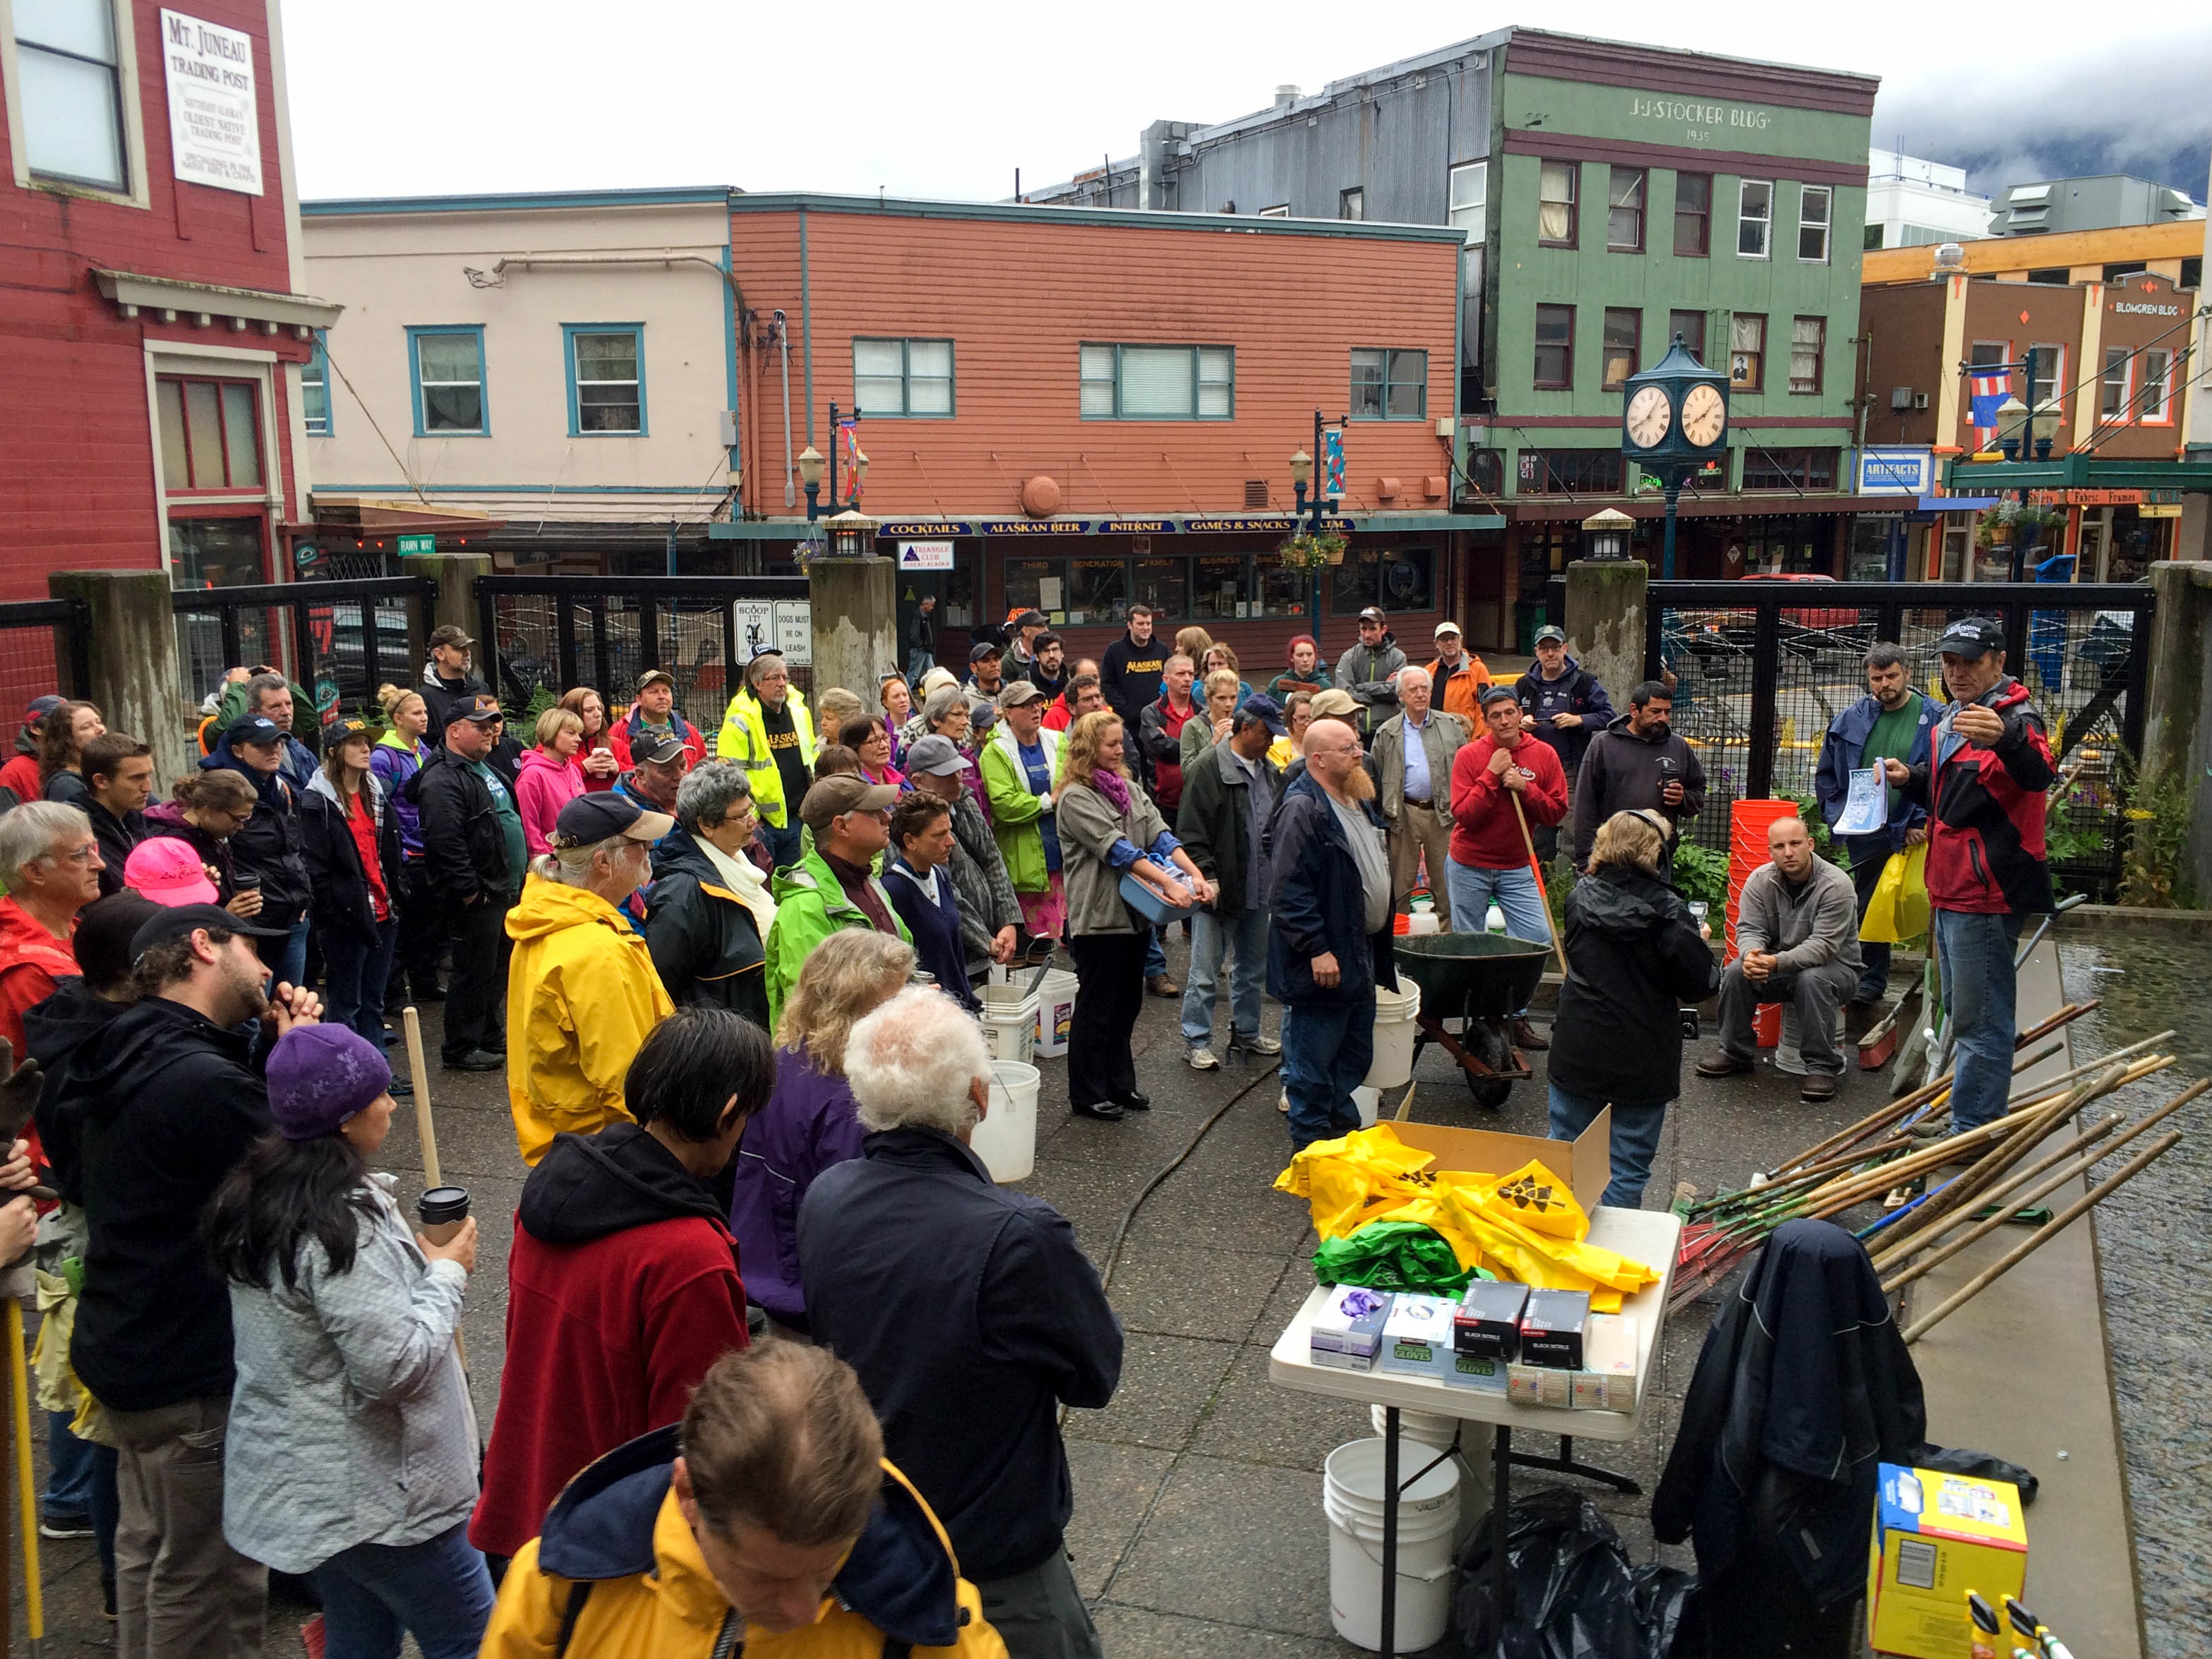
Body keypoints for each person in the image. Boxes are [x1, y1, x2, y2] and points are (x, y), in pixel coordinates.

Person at [801, 987, 1119, 1659]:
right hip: (995, 1566)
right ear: (979, 1096)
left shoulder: (826, 1198)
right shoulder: (1020, 1236)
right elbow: (1095, 1375)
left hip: (875, 1542)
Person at [206, 1022, 491, 1659]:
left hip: (325, 1498)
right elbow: (393, 1366)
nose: (391, 1104)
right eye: (378, 1094)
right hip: (386, 1500)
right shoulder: (340, 1228)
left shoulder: (262, 1196)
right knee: (477, 1642)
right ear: (344, 1119)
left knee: (360, 1638)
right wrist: (447, 1273)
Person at [74, 901, 313, 1659]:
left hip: (128, 1340)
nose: (268, 967)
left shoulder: (123, 1045)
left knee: (151, 1550)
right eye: (253, 949)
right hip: (190, 1366)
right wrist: (301, 1067)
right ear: (205, 945)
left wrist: (268, 1051)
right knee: (209, 1576)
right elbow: (300, 1181)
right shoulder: (199, 1078)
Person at [471, 1008, 774, 1567]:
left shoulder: (551, 1189)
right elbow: (694, 1439)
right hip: (609, 1539)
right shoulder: (689, 1258)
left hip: (524, 1501)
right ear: (728, 1112)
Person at [479, 1340, 1004, 1659]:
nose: (803, 1611)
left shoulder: (933, 1631)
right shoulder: (561, 1585)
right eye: (768, 1576)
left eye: (826, 1572)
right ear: (689, 1493)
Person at [26, 890, 158, 1605]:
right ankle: (116, 1578)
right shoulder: (107, 1051)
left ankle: (116, 1574)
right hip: (109, 1251)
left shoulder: (78, 1025)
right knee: (110, 1430)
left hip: (97, 1241)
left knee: (108, 1423)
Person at [1880, 617, 2054, 1134]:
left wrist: (2007, 739)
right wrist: (1912, 779)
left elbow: (2040, 772)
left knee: (1982, 1018)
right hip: (1950, 886)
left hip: (1987, 891)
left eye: (1970, 662)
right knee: (1960, 1008)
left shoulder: (2016, 718)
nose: (1957, 672)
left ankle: (1974, 1128)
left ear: (1999, 662)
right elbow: (1953, 797)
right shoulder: (1952, 717)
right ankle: (1968, 1112)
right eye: (1950, 662)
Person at [731, 931, 911, 1335]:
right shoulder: (853, 1102)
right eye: (895, 1002)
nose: (907, 1013)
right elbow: (861, 1218)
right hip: (826, 1295)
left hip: (771, 1268)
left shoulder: (786, 1059)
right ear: (858, 1008)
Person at [1548, 810, 1718, 1207]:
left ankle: (1554, 1235)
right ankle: (1613, 1241)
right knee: (1625, 1166)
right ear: (1656, 853)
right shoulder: (1670, 914)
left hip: (1578, 1046)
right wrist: (1697, 942)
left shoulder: (1579, 898)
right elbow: (1699, 986)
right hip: (1642, 1055)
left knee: (1564, 1155)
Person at [505, 793, 677, 1165]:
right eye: (640, 844)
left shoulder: (545, 916)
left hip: (562, 1144)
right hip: (608, 1152)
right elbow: (628, 1082)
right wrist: (657, 1160)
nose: (649, 851)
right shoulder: (596, 950)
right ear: (603, 862)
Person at [1057, 710, 1209, 1121]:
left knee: (1127, 1005)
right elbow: (1119, 850)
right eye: (1110, 744)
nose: (1119, 750)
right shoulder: (1075, 797)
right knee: (1097, 1008)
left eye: (1120, 743)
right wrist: (1170, 884)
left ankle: (1119, 1083)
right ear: (1088, 748)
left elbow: (1160, 835)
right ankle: (1087, 1092)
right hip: (1099, 918)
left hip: (1137, 916)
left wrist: (1194, 874)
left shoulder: (1128, 788)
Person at [1267, 718, 1398, 1150]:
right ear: (1318, 759)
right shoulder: (1304, 808)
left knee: (1353, 1055)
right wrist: (1317, 949)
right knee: (1314, 1065)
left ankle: (1340, 1142)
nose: (1359, 753)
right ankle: (1309, 1151)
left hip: (1359, 950)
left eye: (1357, 744)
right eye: (1348, 749)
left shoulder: (1357, 797)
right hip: (1325, 959)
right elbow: (1288, 891)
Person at [1697, 816, 1862, 1102]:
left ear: (1810, 844)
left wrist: (1774, 962)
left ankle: (1822, 1066)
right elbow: (1749, 929)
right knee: (1736, 971)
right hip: (1779, 967)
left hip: (1837, 970)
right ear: (1770, 851)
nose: (1788, 852)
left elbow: (1823, 947)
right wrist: (1752, 955)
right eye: (1780, 846)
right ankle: (1734, 1053)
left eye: (1795, 844)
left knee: (1813, 979)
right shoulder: (1760, 880)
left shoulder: (1836, 885)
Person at [1813, 643, 1938, 1007]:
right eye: (1877, 678)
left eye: (1892, 676)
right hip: (1865, 829)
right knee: (1869, 903)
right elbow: (1827, 773)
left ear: (1907, 674)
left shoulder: (1935, 717)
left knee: (1921, 900)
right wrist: (1838, 815)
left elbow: (1941, 775)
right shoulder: (1849, 720)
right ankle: (1869, 980)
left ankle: (1938, 980)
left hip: (1914, 829)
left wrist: (1922, 819)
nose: (1885, 684)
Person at [405, 694, 523, 1072]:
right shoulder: (442, 778)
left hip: (503, 887)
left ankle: (488, 1031)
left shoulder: (484, 768)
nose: (489, 732)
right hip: (479, 893)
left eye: (492, 725)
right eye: (480, 726)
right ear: (455, 731)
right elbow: (445, 840)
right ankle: (461, 1045)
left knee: (496, 967)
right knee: (472, 970)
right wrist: (470, 891)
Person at [1448, 687, 1570, 1049]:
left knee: (1536, 938)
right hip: (1469, 863)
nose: (1504, 721)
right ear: (1486, 721)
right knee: (1471, 944)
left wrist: (1525, 788)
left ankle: (1516, 1016)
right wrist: (1491, 776)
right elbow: (1464, 815)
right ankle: (1483, 1019)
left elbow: (1556, 812)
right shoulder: (1470, 755)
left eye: (1509, 713)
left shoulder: (1543, 754)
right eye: (1495, 715)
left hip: (1518, 864)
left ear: (1520, 714)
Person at [1176, 697, 1286, 1070]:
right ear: (1245, 728)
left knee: (1252, 969)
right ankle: (1196, 1040)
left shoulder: (1269, 771)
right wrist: (1207, 877)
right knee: (1206, 972)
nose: (1271, 740)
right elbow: (1191, 832)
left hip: (1260, 887)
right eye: (1266, 733)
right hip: (1220, 888)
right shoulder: (1209, 768)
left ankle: (1247, 1032)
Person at [303, 717, 407, 1086]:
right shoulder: (316, 803)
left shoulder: (374, 793)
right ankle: (348, 1076)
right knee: (346, 1000)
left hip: (383, 908)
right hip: (347, 916)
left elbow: (388, 850)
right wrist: (334, 911)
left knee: (374, 998)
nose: (366, 749)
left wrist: (398, 892)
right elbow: (317, 867)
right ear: (335, 752)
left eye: (368, 743)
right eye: (356, 743)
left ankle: (378, 1070)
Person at [764, 775, 908, 1025]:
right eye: (874, 813)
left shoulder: (868, 882)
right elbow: (817, 1013)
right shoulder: (804, 908)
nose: (888, 817)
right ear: (842, 827)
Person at [645, 762, 775, 1026]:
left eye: (751, 809)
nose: (753, 821)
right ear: (706, 825)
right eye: (741, 816)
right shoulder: (681, 892)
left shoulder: (740, 859)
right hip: (723, 1033)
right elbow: (662, 986)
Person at [201, 714, 314, 988]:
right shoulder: (217, 795)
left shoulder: (282, 787)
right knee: (256, 1007)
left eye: (277, 743)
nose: (273, 750)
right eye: (262, 745)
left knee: (290, 1003)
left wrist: (302, 896)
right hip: (251, 927)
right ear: (238, 750)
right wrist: (229, 914)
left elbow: (297, 847)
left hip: (293, 919)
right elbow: (215, 859)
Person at [907, 735, 1023, 981]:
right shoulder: (914, 826)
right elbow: (943, 893)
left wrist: (1008, 922)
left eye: (958, 770)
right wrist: (984, 940)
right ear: (918, 781)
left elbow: (993, 861)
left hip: (989, 946)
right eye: (945, 774)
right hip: (952, 956)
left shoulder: (967, 805)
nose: (956, 779)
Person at [0, 802, 100, 1085]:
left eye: (95, 848)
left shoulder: (67, 926)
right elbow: (85, 1069)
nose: (99, 864)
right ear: (34, 871)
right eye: (81, 854)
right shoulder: (30, 969)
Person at [1571, 680, 1705, 872]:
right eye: (1655, 712)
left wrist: (1683, 799)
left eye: (1667, 712)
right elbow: (1585, 805)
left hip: (1658, 857)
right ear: (1634, 710)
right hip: (1613, 856)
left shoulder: (1678, 747)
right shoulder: (1603, 745)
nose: (1663, 718)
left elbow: (1698, 793)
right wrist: (1586, 858)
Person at [1372, 666, 1469, 931]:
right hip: (1403, 812)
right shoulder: (1387, 732)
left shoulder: (1450, 726)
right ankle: (1399, 936)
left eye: (1424, 689)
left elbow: (1466, 767)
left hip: (1444, 813)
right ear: (1401, 696)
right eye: (1413, 690)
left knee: (1445, 878)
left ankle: (1447, 936)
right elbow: (1376, 775)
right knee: (1401, 881)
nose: (1419, 694)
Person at [371, 684, 445, 1005]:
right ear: (398, 718)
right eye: (417, 713)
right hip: (403, 851)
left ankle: (425, 983)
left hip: (426, 847)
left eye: (425, 712)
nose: (425, 717)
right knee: (403, 926)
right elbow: (380, 806)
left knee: (427, 924)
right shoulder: (383, 757)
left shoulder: (424, 751)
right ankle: (393, 993)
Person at [715, 652, 817, 871]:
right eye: (775, 678)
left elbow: (812, 757)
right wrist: (750, 817)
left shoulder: (799, 713)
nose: (782, 684)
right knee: (763, 882)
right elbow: (730, 775)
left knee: (795, 881)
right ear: (758, 683)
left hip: (797, 818)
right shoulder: (741, 719)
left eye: (785, 678)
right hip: (761, 825)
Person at [982, 682, 1064, 946]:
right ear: (1008, 712)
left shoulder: (1058, 741)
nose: (1035, 709)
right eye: (1026, 705)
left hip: (1060, 855)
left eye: (1037, 703)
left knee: (1052, 941)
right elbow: (1004, 804)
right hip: (1022, 861)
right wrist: (1048, 802)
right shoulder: (995, 752)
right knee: (1024, 942)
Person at [884, 794, 976, 1009]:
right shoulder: (894, 889)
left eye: (949, 832)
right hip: (925, 1012)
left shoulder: (940, 875)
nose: (951, 842)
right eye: (939, 835)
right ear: (910, 841)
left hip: (956, 1007)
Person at [140, 768, 259, 912]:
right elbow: (178, 913)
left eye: (246, 819)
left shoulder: (209, 834)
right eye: (238, 819)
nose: (241, 827)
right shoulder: (170, 847)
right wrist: (226, 915)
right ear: (209, 808)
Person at [78, 732, 152, 897]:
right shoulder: (78, 833)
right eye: (137, 778)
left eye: (148, 776)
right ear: (101, 781)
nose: (148, 787)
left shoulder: (133, 816)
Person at [219, 672, 318, 788]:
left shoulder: (301, 752)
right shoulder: (246, 761)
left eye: (288, 704)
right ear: (253, 712)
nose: (286, 712)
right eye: (276, 706)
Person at [513, 706, 586, 858]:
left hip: (576, 857)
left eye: (578, 734)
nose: (578, 739)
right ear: (551, 733)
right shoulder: (532, 775)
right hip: (551, 861)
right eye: (571, 733)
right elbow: (529, 827)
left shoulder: (573, 770)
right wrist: (546, 859)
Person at [607, 668, 706, 772]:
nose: (662, 696)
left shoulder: (690, 732)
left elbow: (703, 771)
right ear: (639, 699)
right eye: (654, 692)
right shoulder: (620, 731)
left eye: (666, 691)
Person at [1138, 651, 1198, 819]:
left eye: (1191, 674)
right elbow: (1161, 749)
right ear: (1166, 679)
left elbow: (1211, 753)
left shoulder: (1202, 712)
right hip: (1162, 802)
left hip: (1197, 801)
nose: (1187, 679)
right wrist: (1195, 747)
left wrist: (1171, 741)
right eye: (1181, 674)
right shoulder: (1151, 713)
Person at [1338, 605, 1407, 743]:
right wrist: (1382, 692)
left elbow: (1396, 692)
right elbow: (1345, 695)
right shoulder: (1349, 657)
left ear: (1383, 629)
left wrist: (1361, 687)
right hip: (1356, 731)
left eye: (1373, 629)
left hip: (1388, 732)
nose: (1367, 635)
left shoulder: (1398, 658)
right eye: (1363, 629)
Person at [417, 625, 492, 746]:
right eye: (459, 649)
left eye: (467, 648)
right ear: (439, 654)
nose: (467, 653)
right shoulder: (425, 696)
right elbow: (424, 743)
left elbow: (498, 729)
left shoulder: (481, 687)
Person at [1099, 602, 1165, 729]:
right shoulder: (1115, 651)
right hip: (1128, 722)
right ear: (1130, 625)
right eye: (1141, 624)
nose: (1146, 627)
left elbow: (1169, 681)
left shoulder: (1161, 650)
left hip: (1158, 720)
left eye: (1149, 624)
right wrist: (1125, 709)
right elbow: (1107, 685)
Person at [1423, 620, 1493, 725]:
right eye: (1444, 640)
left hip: (1464, 732)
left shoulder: (1478, 670)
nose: (1449, 643)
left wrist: (1478, 735)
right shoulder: (1428, 671)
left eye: (1453, 638)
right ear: (1436, 644)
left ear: (1460, 640)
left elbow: (1484, 707)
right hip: (1434, 730)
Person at [37, 699, 105, 805]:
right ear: (66, 739)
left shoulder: (97, 770)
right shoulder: (65, 785)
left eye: (98, 722)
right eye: (86, 727)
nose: (100, 729)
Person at [558, 686, 624, 792]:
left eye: (599, 708)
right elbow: (548, 778)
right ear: (573, 714)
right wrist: (582, 768)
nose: (598, 714)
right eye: (589, 710)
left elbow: (641, 774)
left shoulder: (616, 744)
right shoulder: (554, 746)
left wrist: (618, 768)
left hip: (613, 802)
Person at [0, 694, 63, 804]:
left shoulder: (82, 759)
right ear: (35, 728)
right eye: (60, 724)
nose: (69, 729)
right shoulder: (13, 773)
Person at [617, 729, 690, 821]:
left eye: (682, 766)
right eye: (666, 771)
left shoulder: (694, 798)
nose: (679, 776)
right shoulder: (627, 817)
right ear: (641, 775)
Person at [1179, 665, 1242, 773]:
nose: (1229, 704)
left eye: (1233, 697)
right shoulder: (1192, 727)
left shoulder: (1241, 726)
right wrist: (1213, 743)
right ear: (1209, 699)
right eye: (1221, 698)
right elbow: (1188, 772)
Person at [843, 713, 906, 790]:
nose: (884, 745)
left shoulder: (899, 779)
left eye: (885, 737)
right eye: (873, 741)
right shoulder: (855, 788)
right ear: (854, 749)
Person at [1266, 634, 1334, 703]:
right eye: (1300, 655)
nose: (1305, 659)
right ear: (1292, 658)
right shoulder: (1277, 684)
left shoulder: (1325, 686)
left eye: (1309, 655)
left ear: (1315, 656)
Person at [1043, 669, 1105, 734]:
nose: (1096, 703)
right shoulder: (1060, 739)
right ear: (1072, 708)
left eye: (1098, 697)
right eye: (1087, 699)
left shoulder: (1112, 731)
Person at [1269, 690, 1316, 771]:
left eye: (1311, 718)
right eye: (1301, 718)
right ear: (1290, 718)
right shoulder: (1276, 743)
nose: (1307, 724)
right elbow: (1281, 776)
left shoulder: (1322, 741)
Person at [1003, 609, 1048, 683]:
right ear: (1026, 631)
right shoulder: (1008, 662)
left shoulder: (1049, 654)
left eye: (1046, 625)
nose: (1046, 630)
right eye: (1041, 626)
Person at [1026, 630, 1069, 703]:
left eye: (1055, 650)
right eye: (1046, 651)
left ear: (1062, 653)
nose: (1052, 655)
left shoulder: (1070, 681)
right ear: (1037, 657)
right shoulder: (1027, 682)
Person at [906, 591, 937, 684]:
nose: (932, 608)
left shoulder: (924, 616)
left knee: (932, 671)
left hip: (925, 649)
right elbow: (914, 634)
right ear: (926, 604)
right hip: (920, 649)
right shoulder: (917, 616)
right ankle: (907, 690)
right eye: (931, 605)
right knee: (914, 673)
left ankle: (935, 687)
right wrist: (920, 645)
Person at [966, 639, 1007, 705]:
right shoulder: (966, 700)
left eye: (996, 659)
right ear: (974, 668)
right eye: (986, 661)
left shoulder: (1013, 694)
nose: (994, 664)